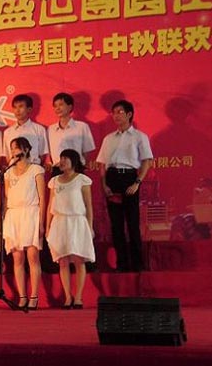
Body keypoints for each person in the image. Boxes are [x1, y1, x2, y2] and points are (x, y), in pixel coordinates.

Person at [96, 100, 153, 272]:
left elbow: (147, 161)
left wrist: (137, 182)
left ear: (129, 114)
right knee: (116, 225)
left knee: (133, 223)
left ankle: (137, 264)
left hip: (129, 178)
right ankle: (122, 264)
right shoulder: (108, 139)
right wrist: (104, 185)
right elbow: (102, 164)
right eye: (114, 112)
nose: (116, 116)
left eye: (120, 112)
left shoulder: (139, 137)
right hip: (112, 178)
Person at [46, 149, 95, 309]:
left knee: (79, 260)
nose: (62, 161)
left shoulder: (82, 179)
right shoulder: (54, 181)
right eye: (61, 158)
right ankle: (68, 296)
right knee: (63, 261)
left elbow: (88, 205)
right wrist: (47, 226)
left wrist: (90, 226)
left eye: (66, 158)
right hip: (59, 222)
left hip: (77, 221)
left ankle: (78, 297)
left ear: (74, 161)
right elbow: (50, 206)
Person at [3, 137, 45, 310]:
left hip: (31, 213)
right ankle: (22, 296)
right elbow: (7, 196)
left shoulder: (36, 169)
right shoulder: (8, 172)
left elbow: (42, 197)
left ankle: (34, 295)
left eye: (17, 148)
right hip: (14, 215)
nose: (14, 151)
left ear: (26, 150)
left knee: (32, 256)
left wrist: (41, 222)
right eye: (12, 148)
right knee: (17, 258)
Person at [47, 93, 96, 177]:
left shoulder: (82, 127)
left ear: (70, 107)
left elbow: (87, 151)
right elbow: (49, 152)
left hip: (76, 168)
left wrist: (78, 164)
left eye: (61, 105)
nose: (57, 108)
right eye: (55, 106)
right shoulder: (50, 129)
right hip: (57, 169)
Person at [2, 94, 48, 166]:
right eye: (15, 107)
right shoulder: (7, 132)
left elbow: (42, 154)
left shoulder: (39, 129)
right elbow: (8, 156)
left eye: (21, 106)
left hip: (33, 168)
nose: (17, 110)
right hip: (14, 169)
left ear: (29, 109)